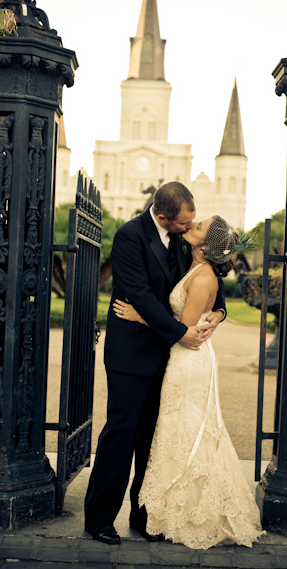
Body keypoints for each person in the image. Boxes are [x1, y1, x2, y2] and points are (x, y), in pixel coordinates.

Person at [84, 182, 226, 545]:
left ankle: (145, 516)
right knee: (121, 434)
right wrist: (181, 332)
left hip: (168, 357)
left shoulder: (184, 236)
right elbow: (141, 296)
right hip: (131, 355)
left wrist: (220, 312)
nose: (188, 228)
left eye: (192, 223)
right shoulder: (129, 236)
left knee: (154, 439)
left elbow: (210, 274)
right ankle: (99, 519)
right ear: (163, 217)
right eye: (183, 224)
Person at [114, 215, 264, 549]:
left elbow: (182, 332)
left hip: (189, 359)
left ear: (208, 246)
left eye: (198, 226)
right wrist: (220, 312)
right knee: (180, 432)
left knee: (183, 431)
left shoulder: (202, 276)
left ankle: (187, 512)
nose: (191, 224)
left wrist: (140, 316)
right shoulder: (193, 258)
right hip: (188, 358)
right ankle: (173, 509)